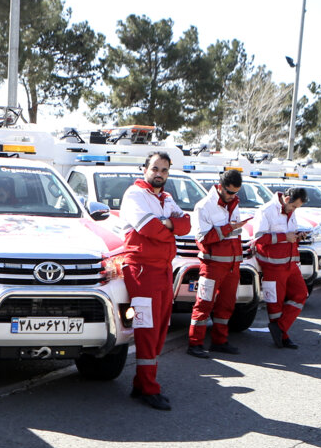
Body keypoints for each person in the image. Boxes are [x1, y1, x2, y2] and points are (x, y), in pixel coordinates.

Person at [118, 151, 190, 410]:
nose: (159, 174)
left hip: (163, 270)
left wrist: (167, 224)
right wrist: (170, 228)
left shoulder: (166, 198)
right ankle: (149, 388)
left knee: (160, 327)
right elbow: (148, 229)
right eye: (155, 168)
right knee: (146, 328)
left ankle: (142, 383)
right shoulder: (135, 195)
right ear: (145, 169)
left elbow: (187, 225)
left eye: (164, 170)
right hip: (141, 271)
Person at [188, 169, 248, 358]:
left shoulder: (234, 203)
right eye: (230, 192)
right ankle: (194, 343)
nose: (232, 196)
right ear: (220, 187)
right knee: (204, 304)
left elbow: (235, 236)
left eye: (236, 193)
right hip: (213, 265)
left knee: (227, 304)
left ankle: (219, 341)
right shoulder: (204, 206)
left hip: (232, 264)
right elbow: (202, 239)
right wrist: (228, 228)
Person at [252, 187, 309, 348]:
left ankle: (280, 328)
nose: (294, 209)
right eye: (294, 206)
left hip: (290, 263)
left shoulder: (290, 210)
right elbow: (258, 239)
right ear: (286, 199)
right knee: (275, 304)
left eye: (297, 207)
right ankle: (282, 336)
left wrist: (297, 236)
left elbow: (289, 235)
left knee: (301, 294)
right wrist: (285, 237)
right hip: (273, 264)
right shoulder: (266, 211)